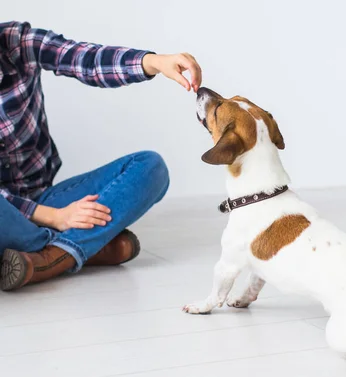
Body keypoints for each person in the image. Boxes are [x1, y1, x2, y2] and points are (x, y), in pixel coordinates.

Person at [0, 21, 202, 291]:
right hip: (14, 213)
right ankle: (80, 249)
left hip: (44, 196)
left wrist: (153, 62)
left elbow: (85, 59)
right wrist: (55, 218)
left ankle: (47, 257)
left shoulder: (15, 40)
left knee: (150, 167)